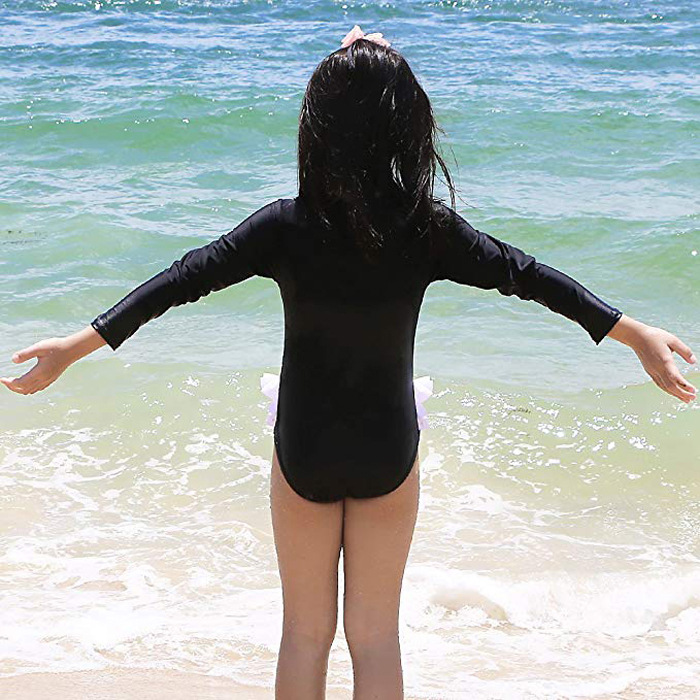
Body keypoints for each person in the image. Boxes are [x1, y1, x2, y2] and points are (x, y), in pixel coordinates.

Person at [1, 23, 696, 700]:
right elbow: (528, 275)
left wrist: (75, 346)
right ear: (409, 128)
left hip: (304, 446)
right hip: (387, 446)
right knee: (376, 638)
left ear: (318, 127)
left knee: (305, 636)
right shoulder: (426, 228)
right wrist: (632, 333)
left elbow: (180, 280)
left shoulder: (285, 226)